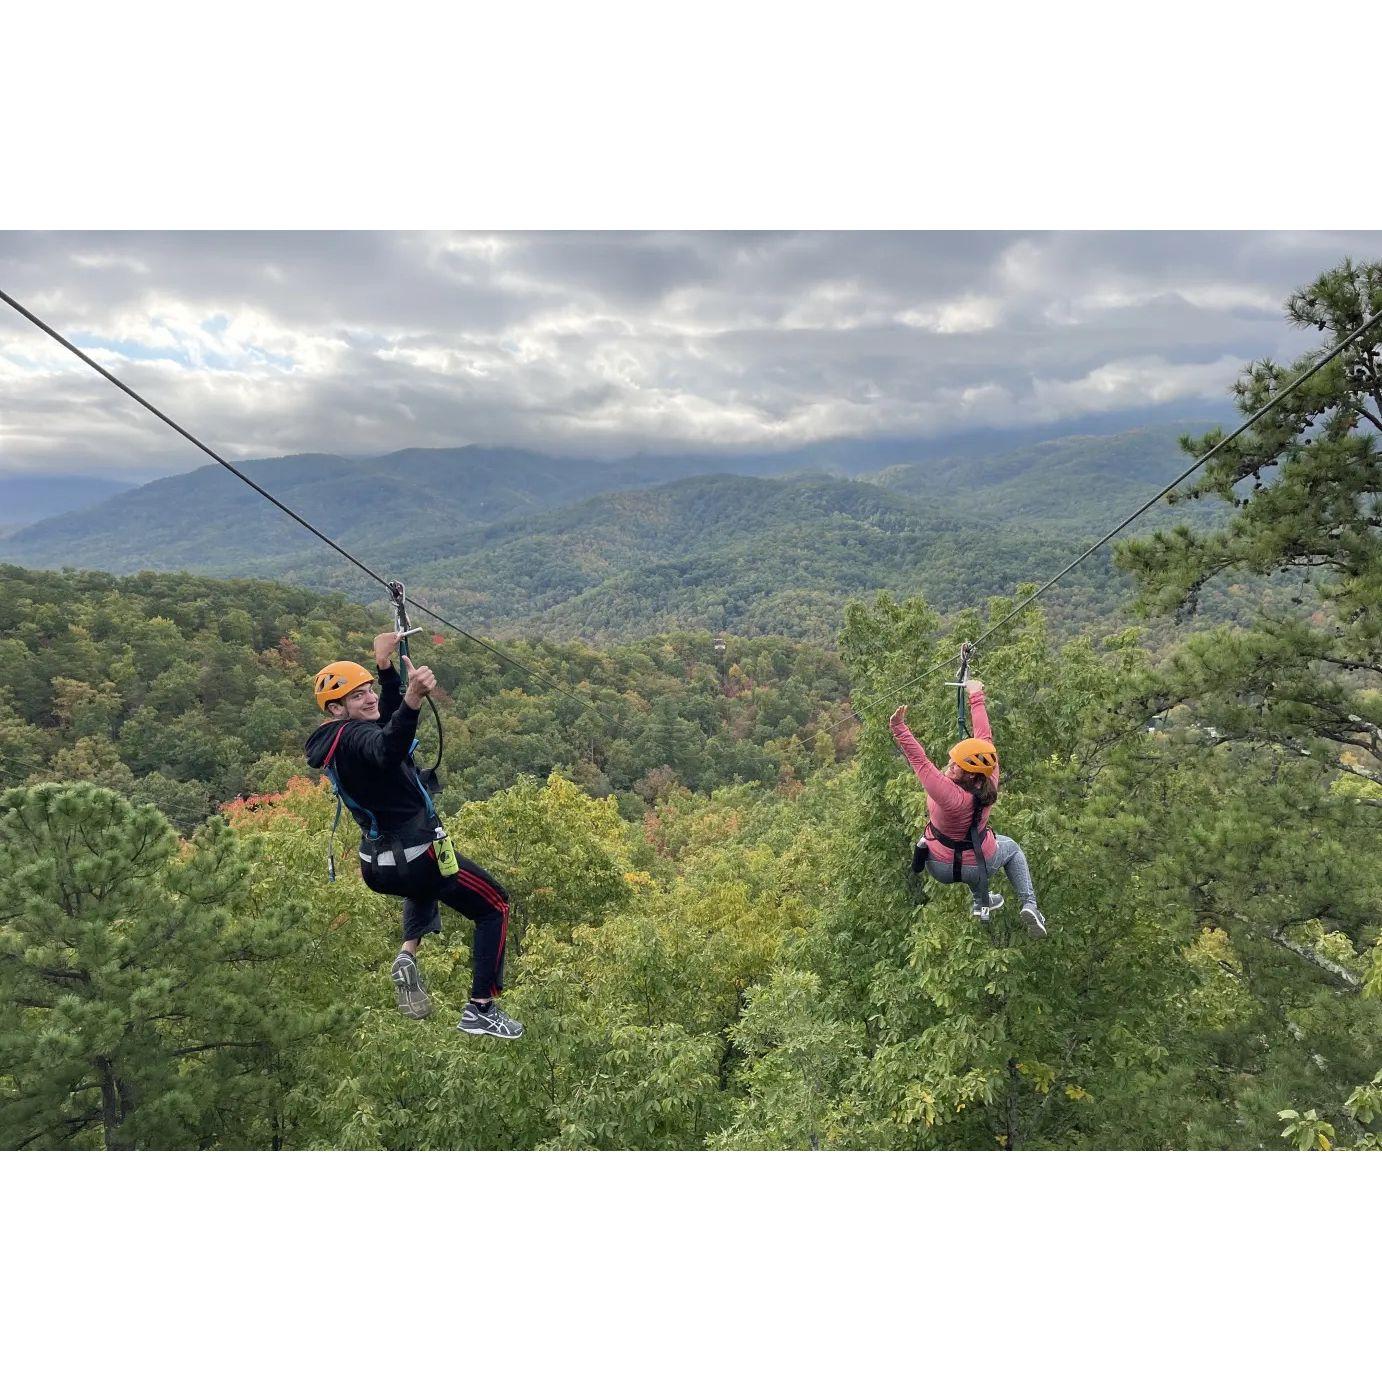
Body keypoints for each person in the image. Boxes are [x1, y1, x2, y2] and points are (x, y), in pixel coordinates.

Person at [305, 632, 523, 1038]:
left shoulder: (338, 741)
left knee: (425, 886)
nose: (369, 698)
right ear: (337, 708)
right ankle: (482, 1007)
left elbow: (382, 728)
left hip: (379, 864)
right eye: (357, 696)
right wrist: (414, 698)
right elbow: (388, 745)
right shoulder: (357, 738)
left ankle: (408, 953)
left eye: (368, 690)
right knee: (494, 906)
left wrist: (385, 671)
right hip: (417, 854)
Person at [889, 680, 1047, 938]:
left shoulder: (948, 794)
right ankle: (1028, 905)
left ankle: (982, 900)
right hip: (978, 865)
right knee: (1008, 849)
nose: (950, 765)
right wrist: (976, 694)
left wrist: (899, 728)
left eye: (956, 765)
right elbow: (984, 738)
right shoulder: (989, 779)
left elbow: (920, 760)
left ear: (971, 775)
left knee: (977, 851)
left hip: (938, 865)